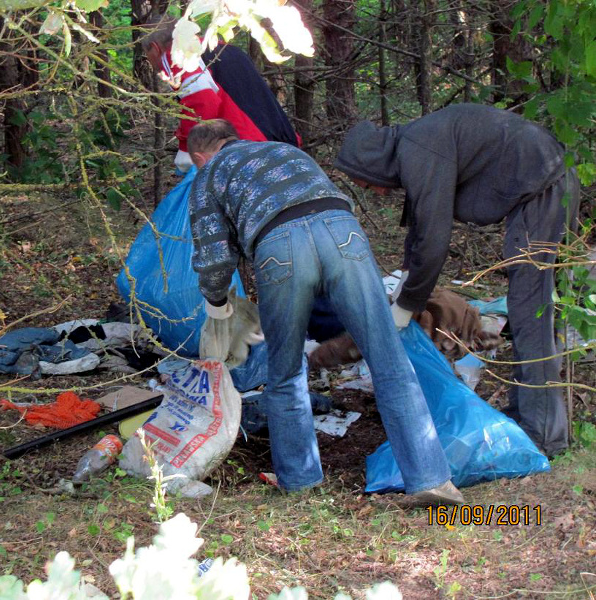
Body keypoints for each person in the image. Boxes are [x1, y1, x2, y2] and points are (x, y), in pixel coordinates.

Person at [187, 118, 464, 503]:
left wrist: (218, 307)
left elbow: (215, 258)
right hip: (343, 230)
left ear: (201, 156)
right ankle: (432, 480)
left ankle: (300, 483)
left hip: (279, 247)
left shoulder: (209, 174)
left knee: (285, 373)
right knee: (389, 361)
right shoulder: (283, 151)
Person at [334, 103, 580, 457]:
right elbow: (420, 222)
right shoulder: (415, 145)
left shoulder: (420, 148)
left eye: (363, 181)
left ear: (371, 162)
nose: (372, 190)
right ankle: (531, 416)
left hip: (543, 186)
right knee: (532, 311)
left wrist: (406, 307)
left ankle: (543, 434)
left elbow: (435, 237)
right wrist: (406, 278)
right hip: (545, 181)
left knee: (531, 312)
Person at [142, 18, 300, 173]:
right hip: (282, 142)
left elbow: (202, 101)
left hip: (248, 152)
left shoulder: (182, 56)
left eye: (148, 55)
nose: (151, 63)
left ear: (155, 48)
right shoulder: (224, 48)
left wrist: (187, 151)